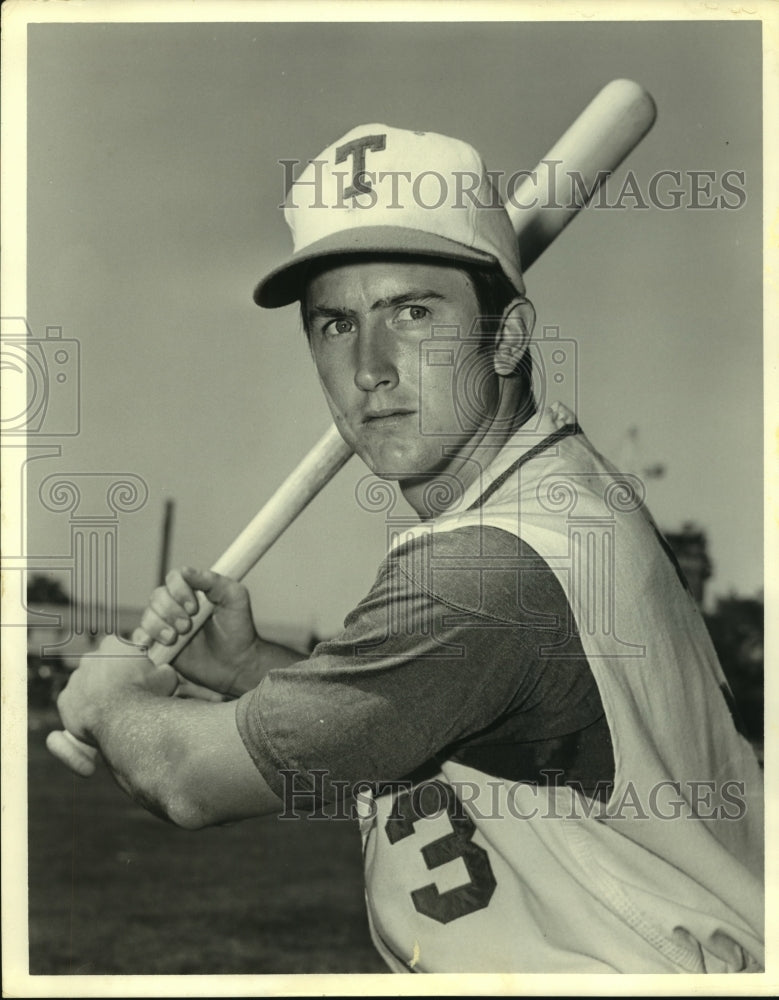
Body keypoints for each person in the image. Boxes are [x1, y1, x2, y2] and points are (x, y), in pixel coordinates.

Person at [55, 123, 764, 974]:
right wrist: (250, 669)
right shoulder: (563, 491)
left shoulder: (489, 572)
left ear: (505, 338)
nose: (370, 368)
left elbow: (186, 781)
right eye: (335, 325)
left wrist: (109, 697)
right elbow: (457, 722)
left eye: (412, 313)